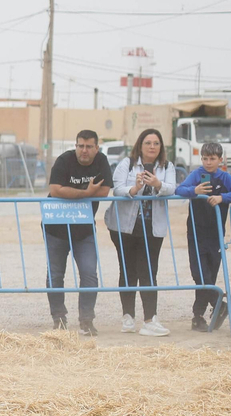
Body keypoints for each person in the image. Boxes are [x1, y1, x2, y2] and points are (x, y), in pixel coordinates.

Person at [105, 128, 178, 336]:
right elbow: (117, 188)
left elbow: (172, 188)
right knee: (127, 270)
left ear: (161, 147)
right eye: (148, 143)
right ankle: (128, 317)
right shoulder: (126, 164)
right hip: (125, 226)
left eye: (156, 143)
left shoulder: (168, 166)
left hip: (152, 227)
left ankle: (150, 319)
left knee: (148, 271)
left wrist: (158, 184)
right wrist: (134, 188)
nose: (152, 147)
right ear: (140, 145)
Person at [43, 130, 112, 335]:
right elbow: (55, 190)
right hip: (56, 227)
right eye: (80, 145)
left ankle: (87, 319)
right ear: (76, 146)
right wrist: (86, 193)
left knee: (89, 273)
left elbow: (105, 191)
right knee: (55, 274)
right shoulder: (64, 161)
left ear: (96, 148)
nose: (84, 150)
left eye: (89, 146)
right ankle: (59, 318)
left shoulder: (101, 161)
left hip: (84, 229)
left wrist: (75, 194)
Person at [176, 141, 231, 332]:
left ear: (220, 160)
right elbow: (180, 189)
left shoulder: (224, 177)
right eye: (205, 158)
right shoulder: (197, 175)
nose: (208, 162)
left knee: (210, 276)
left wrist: (223, 198)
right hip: (196, 234)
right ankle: (219, 305)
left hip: (216, 234)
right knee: (199, 275)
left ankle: (198, 317)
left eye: (212, 159)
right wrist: (194, 191)